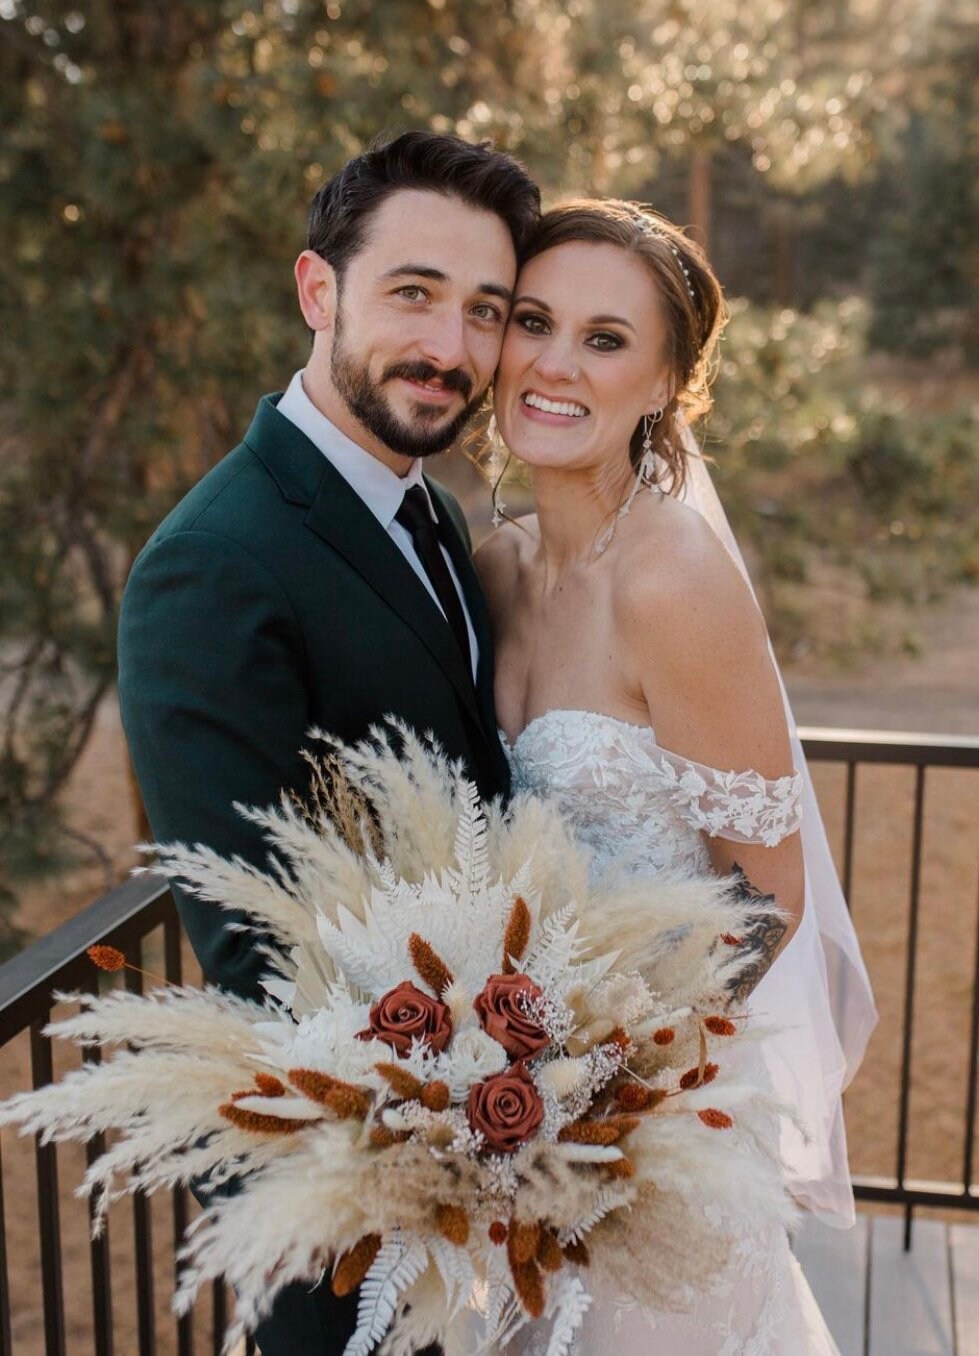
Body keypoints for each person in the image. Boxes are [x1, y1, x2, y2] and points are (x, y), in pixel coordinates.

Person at [117, 131, 540, 1356]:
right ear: (320, 291)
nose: (451, 350)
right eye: (413, 293)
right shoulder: (211, 564)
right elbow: (259, 941)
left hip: (505, 1164)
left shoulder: (433, 508)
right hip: (350, 1214)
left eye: (487, 311)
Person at [474, 200, 877, 1354]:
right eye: (534, 321)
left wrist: (606, 1080)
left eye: (605, 340)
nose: (554, 363)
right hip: (505, 1117)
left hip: (651, 1129)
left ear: (663, 386)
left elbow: (770, 897)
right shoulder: (497, 565)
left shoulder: (672, 578)